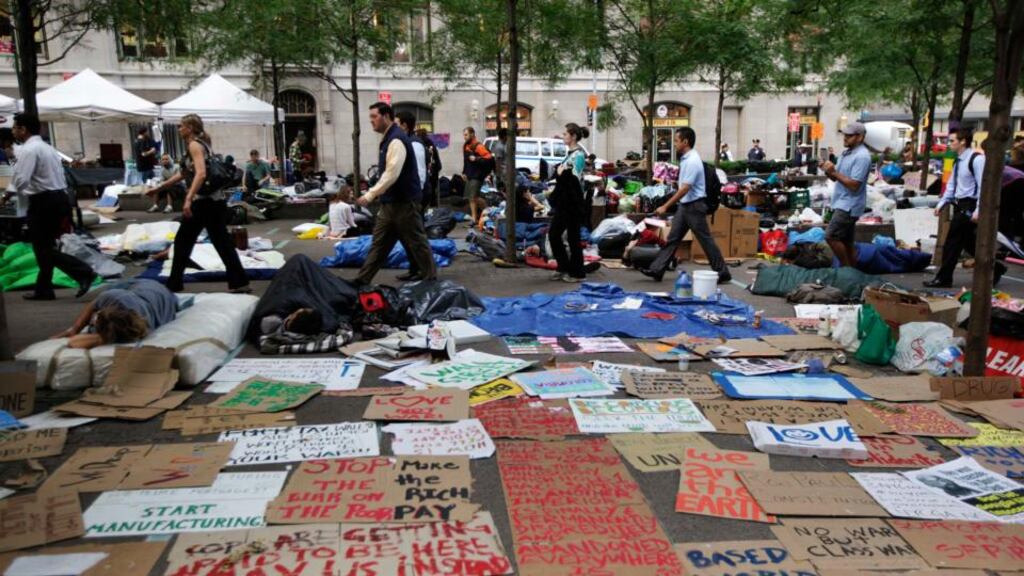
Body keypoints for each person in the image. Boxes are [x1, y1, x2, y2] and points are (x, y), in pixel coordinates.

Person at [150, 114, 250, 294]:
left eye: (181, 126)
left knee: (184, 241)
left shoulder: (195, 145)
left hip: (204, 203)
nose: (179, 129)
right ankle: (239, 281)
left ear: (189, 128)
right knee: (221, 243)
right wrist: (160, 188)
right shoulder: (202, 145)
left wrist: (188, 198)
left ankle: (174, 283)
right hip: (214, 202)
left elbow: (201, 173)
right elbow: (183, 174)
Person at [8, 113, 95, 301]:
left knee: (43, 248)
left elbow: (21, 179)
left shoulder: (29, 150)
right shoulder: (47, 148)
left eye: (15, 127)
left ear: (23, 129)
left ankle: (83, 272)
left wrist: (6, 196)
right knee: (44, 246)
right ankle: (44, 289)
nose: (13, 131)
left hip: (44, 201)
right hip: (57, 198)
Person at [355, 102, 436, 285]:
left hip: (404, 203)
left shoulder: (396, 140)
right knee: (379, 244)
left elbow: (392, 173)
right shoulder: (389, 138)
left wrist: (370, 194)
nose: (371, 121)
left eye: (374, 117)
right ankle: (361, 281)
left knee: (416, 242)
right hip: (390, 203)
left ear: (386, 116)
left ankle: (431, 280)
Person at [640, 127, 731, 284]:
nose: (674, 144)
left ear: (685, 142)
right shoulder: (686, 159)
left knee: (705, 240)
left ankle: (722, 272)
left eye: (676, 140)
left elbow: (685, 189)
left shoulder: (693, 161)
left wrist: (665, 206)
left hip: (694, 206)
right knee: (673, 239)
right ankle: (657, 270)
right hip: (686, 206)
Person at [925, 127, 1007, 287]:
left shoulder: (977, 160)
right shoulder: (958, 161)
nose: (949, 144)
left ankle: (944, 278)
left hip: (970, 205)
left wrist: (978, 210)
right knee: (968, 242)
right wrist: (942, 203)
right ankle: (996, 267)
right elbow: (952, 184)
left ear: (963, 141)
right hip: (960, 204)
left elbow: (984, 187)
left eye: (952, 141)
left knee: (952, 242)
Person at [51, 279, 176, 349]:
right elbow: (94, 304)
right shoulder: (115, 297)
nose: (91, 321)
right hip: (149, 287)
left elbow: (74, 343)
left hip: (160, 293)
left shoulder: (140, 327)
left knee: (111, 289)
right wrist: (75, 329)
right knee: (113, 286)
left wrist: (100, 338)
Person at [820, 122, 871, 268]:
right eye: (845, 135)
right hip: (841, 202)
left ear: (860, 137)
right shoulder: (846, 153)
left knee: (831, 236)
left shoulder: (862, 156)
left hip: (849, 205)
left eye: (850, 135)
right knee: (847, 242)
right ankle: (852, 271)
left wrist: (834, 172)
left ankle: (846, 268)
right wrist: (827, 170)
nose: (845, 138)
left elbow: (854, 185)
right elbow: (836, 178)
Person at [548, 123, 591, 283]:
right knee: (555, 234)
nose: (563, 136)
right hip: (565, 201)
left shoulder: (578, 155)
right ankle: (564, 266)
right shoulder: (571, 154)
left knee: (572, 237)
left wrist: (561, 173)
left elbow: (574, 179)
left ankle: (577, 273)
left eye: (565, 134)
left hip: (572, 202)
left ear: (573, 136)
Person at [462, 126, 493, 227]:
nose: (464, 137)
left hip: (477, 175)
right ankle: (483, 214)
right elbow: (466, 161)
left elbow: (489, 158)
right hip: (470, 175)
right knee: (471, 198)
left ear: (472, 134)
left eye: (466, 135)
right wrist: (464, 172)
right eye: (464, 135)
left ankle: (482, 215)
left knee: (473, 197)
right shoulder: (466, 146)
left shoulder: (478, 146)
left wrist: (476, 159)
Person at [418, 128, 442, 207]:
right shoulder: (430, 143)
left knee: (428, 190)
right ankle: (432, 205)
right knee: (432, 189)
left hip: (430, 170)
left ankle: (429, 205)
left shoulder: (424, 144)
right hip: (434, 169)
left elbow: (430, 159)